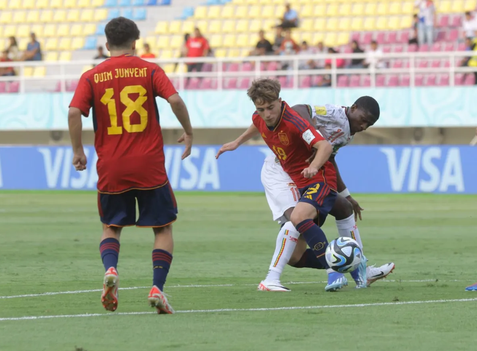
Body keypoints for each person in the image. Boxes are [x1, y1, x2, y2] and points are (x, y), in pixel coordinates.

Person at [68, 16, 193, 314]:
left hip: (111, 165)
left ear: (107, 44)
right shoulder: (149, 69)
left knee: (111, 226)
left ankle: (111, 270)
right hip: (149, 165)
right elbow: (174, 100)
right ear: (135, 42)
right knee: (162, 227)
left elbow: (74, 112)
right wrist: (188, 131)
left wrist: (78, 150)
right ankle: (157, 289)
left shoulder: (91, 76)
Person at [217, 78, 361, 292]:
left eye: (271, 108)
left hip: (320, 179)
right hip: (301, 183)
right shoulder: (260, 117)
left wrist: (313, 166)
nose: (267, 114)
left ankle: (333, 274)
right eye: (261, 109)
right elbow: (256, 123)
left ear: (280, 101)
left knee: (297, 217)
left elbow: (324, 146)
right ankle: (354, 268)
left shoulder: (295, 122)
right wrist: (237, 142)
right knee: (295, 253)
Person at [247, 98, 393, 291]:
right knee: (297, 219)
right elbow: (301, 109)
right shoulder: (334, 113)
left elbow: (329, 158)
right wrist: (312, 135)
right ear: (354, 108)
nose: (364, 126)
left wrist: (346, 194)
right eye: (363, 119)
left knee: (342, 209)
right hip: (282, 171)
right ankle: (272, 278)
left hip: (309, 173)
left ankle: (360, 267)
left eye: (369, 124)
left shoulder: (348, 134)